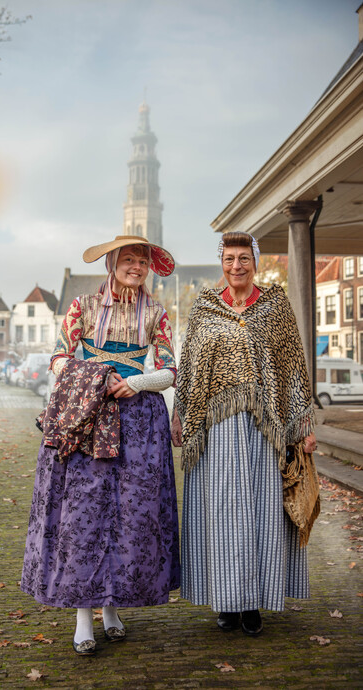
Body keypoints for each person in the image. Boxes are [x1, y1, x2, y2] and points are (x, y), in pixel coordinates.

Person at [21, 235, 180, 655]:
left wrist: (136, 381)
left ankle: (113, 608)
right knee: (83, 516)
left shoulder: (157, 314)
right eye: (128, 260)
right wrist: (95, 378)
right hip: (88, 421)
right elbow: (57, 359)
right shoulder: (82, 308)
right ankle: (82, 616)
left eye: (142, 261)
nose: (136, 267)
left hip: (138, 424)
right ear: (112, 264)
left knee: (129, 519)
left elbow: (169, 369)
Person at [171, 231, 316, 636]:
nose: (236, 266)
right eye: (229, 258)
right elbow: (190, 366)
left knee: (262, 512)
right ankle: (226, 602)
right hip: (216, 429)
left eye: (244, 258)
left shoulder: (275, 306)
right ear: (222, 262)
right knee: (220, 515)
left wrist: (303, 426)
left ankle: (253, 603)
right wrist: (180, 416)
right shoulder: (203, 307)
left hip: (264, 428)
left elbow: (292, 365)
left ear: (255, 261)